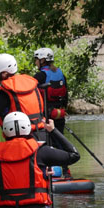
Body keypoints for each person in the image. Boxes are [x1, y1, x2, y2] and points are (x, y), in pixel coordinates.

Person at [34, 47, 71, 178]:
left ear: (42, 60)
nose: (36, 63)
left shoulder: (40, 76)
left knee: (47, 143)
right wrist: (63, 109)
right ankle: (66, 171)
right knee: (60, 140)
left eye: (36, 60)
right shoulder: (60, 73)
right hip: (60, 113)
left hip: (47, 115)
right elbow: (66, 94)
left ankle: (49, 173)